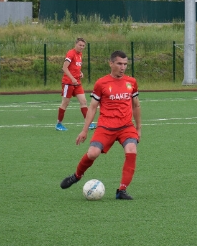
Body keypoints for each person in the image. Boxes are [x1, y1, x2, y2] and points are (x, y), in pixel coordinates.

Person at [60, 50, 141, 200]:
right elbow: (92, 108)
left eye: (125, 64)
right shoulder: (101, 83)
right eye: (119, 64)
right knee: (93, 153)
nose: (123, 67)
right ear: (111, 63)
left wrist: (138, 128)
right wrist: (84, 130)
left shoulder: (131, 82)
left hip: (126, 127)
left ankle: (122, 190)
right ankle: (77, 176)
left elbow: (136, 106)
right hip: (105, 126)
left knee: (132, 150)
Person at [56, 37, 96, 131]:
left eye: (83, 46)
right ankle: (59, 124)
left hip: (77, 82)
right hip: (68, 83)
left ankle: (88, 123)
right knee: (65, 103)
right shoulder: (71, 53)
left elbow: (75, 67)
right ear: (76, 44)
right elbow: (64, 68)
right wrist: (72, 78)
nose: (81, 47)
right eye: (80, 45)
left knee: (83, 101)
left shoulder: (80, 54)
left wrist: (80, 73)